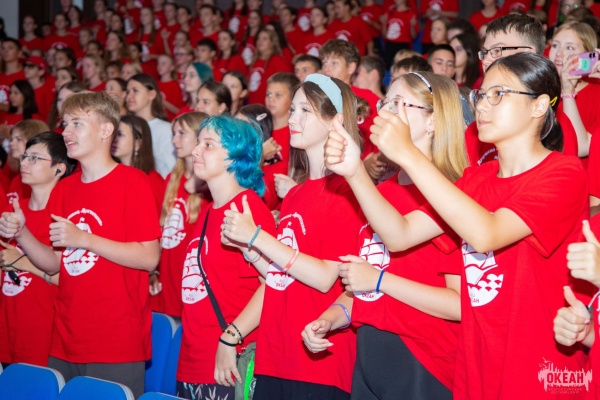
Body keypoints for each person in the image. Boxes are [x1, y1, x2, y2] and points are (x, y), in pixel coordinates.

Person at [371, 51, 591, 398]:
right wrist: (353, 171)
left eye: (498, 94)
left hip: (539, 367)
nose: (483, 105)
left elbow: (487, 234)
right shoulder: (476, 179)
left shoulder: (563, 173)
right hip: (478, 366)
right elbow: (399, 235)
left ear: (538, 106)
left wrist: (408, 155)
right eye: (481, 95)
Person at [305, 71, 467, 399]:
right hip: (369, 354)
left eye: (399, 103)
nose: (386, 113)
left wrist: (380, 281)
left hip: (424, 360)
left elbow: (459, 304)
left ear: (433, 120)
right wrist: (331, 316)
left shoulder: (454, 194)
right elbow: (366, 281)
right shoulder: (383, 192)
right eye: (386, 103)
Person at [0, 91, 161, 398]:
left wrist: (85, 239)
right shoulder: (65, 189)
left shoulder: (133, 182)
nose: (67, 132)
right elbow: (55, 264)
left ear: (105, 130)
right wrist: (22, 234)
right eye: (65, 123)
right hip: (65, 337)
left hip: (115, 340)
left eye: (77, 123)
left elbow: (149, 257)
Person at [222, 74, 365, 399]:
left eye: (305, 110)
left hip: (318, 364)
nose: (292, 119)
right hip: (276, 354)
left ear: (335, 121)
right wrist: (249, 247)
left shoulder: (347, 191)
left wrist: (258, 237)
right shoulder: (296, 194)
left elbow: (325, 277)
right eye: (293, 110)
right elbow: (282, 276)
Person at [176, 116, 276, 400]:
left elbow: (272, 284)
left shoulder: (249, 209)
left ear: (236, 157)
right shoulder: (209, 210)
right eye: (198, 143)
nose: (196, 150)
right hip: (193, 362)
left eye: (208, 145)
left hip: (228, 362)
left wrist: (231, 337)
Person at [0, 132, 76, 367]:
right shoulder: (14, 210)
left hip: (45, 336)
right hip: (8, 330)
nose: (24, 163)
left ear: (59, 169)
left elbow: (71, 279)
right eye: (25, 157)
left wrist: (21, 261)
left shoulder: (66, 216)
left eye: (34, 158)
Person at [467, 13, 579, 165]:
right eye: (485, 52)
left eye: (497, 50)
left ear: (528, 56)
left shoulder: (557, 127)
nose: (486, 60)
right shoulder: (479, 127)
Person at [151, 112, 208, 317]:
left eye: (182, 133)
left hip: (192, 277)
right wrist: (154, 270)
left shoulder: (209, 185)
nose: (175, 140)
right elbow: (160, 230)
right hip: (168, 273)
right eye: (174, 134)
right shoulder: (171, 179)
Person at [125, 73, 176, 178]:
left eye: (135, 91)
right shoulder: (125, 127)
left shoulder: (165, 129)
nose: (129, 96)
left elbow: (173, 168)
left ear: (151, 94)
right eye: (127, 92)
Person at [111, 115, 164, 213]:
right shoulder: (112, 176)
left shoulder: (152, 180)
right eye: (114, 134)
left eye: (120, 134)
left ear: (137, 144)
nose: (114, 139)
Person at [6, 119, 50, 204]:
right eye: (12, 139)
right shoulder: (16, 180)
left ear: (34, 140)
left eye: (18, 139)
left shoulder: (42, 180)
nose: (11, 143)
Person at [247, 28, 292, 105]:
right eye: (258, 38)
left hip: (269, 106)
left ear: (272, 42)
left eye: (264, 39)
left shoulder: (278, 60)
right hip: (252, 105)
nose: (260, 41)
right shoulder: (254, 62)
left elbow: (287, 84)